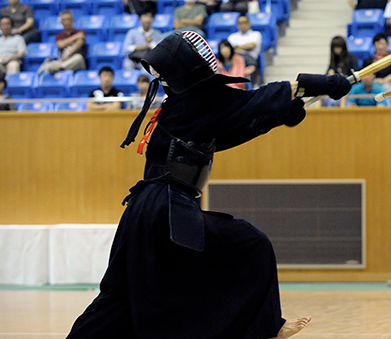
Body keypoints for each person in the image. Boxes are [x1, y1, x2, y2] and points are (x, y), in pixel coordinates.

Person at [66, 30, 351, 338]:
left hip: (144, 213)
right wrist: (315, 83)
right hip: (165, 208)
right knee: (250, 244)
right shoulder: (193, 103)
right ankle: (266, 326)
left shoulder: (185, 105)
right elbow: (253, 101)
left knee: (121, 294)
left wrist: (278, 115)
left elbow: (230, 131)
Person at [37, 10, 86, 75]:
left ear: (72, 20)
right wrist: (75, 37)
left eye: (68, 20)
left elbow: (79, 43)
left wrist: (68, 53)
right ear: (61, 22)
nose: (66, 22)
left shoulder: (80, 32)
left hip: (76, 62)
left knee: (78, 57)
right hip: (63, 61)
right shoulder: (59, 35)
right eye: (64, 20)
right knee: (46, 65)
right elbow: (60, 44)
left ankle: (59, 69)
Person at [226, 14, 262, 83]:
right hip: (234, 59)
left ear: (249, 24)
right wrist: (244, 47)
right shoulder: (233, 36)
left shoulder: (256, 34)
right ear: (237, 25)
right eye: (240, 23)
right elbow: (229, 49)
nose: (243, 25)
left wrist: (237, 47)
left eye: (245, 23)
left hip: (250, 58)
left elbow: (252, 45)